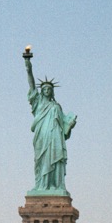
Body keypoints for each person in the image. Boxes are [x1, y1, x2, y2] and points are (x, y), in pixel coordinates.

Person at [23, 48, 76, 192]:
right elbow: (31, 83)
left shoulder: (56, 106)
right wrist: (28, 64)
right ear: (41, 91)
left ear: (52, 91)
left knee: (55, 159)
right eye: (44, 89)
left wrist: (70, 124)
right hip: (42, 135)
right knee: (41, 160)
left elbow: (65, 127)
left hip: (55, 137)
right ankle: (41, 186)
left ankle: (55, 185)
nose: (46, 90)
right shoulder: (38, 102)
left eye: (49, 89)